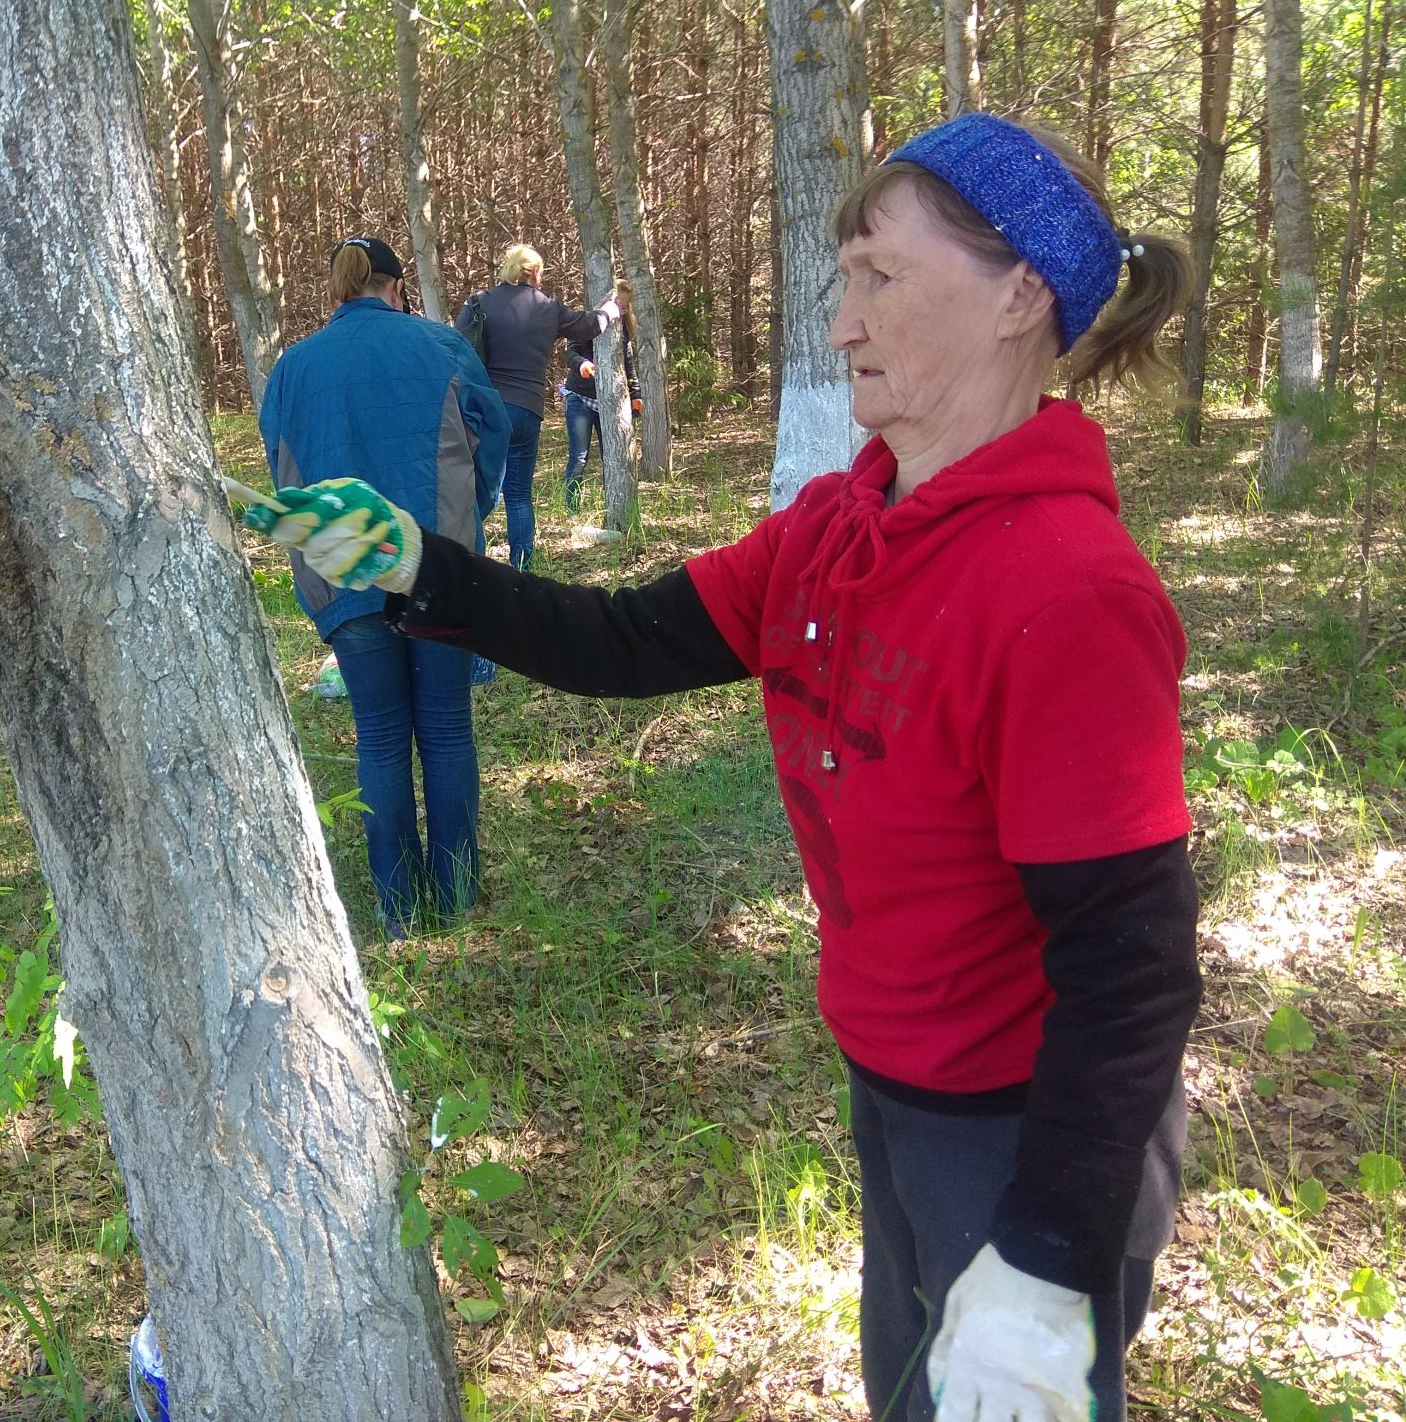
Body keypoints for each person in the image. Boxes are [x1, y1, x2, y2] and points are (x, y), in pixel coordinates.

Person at [232, 113, 1200, 1422]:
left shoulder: (1068, 593)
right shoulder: (833, 534)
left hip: (1029, 1137)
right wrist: (417, 564)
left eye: (880, 277)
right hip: (897, 1088)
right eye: (841, 279)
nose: (843, 323)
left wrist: (1046, 1260)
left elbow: (1132, 971)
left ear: (1022, 294)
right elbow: (624, 639)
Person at [258, 236, 509, 935]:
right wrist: (471, 515)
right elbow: (493, 437)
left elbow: (285, 471)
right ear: (395, 288)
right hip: (439, 565)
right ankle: (456, 899)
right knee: (449, 732)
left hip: (346, 576)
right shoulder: (440, 345)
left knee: (380, 738)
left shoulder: (293, 369)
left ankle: (400, 911)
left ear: (339, 292)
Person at [454, 244, 618, 571]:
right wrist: (610, 310)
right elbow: (589, 325)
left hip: (486, 410)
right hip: (527, 409)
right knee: (518, 494)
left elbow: (456, 344)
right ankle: (522, 568)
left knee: (477, 492)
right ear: (535, 273)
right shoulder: (549, 308)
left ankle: (470, 565)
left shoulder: (478, 302)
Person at [561, 278, 641, 509]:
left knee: (613, 456)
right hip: (580, 398)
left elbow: (628, 364)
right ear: (608, 301)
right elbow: (570, 352)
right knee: (579, 457)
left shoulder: (625, 330)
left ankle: (613, 505)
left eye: (626, 306)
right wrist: (582, 364)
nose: (622, 309)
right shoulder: (589, 323)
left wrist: (636, 394)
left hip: (609, 402)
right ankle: (572, 506)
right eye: (619, 304)